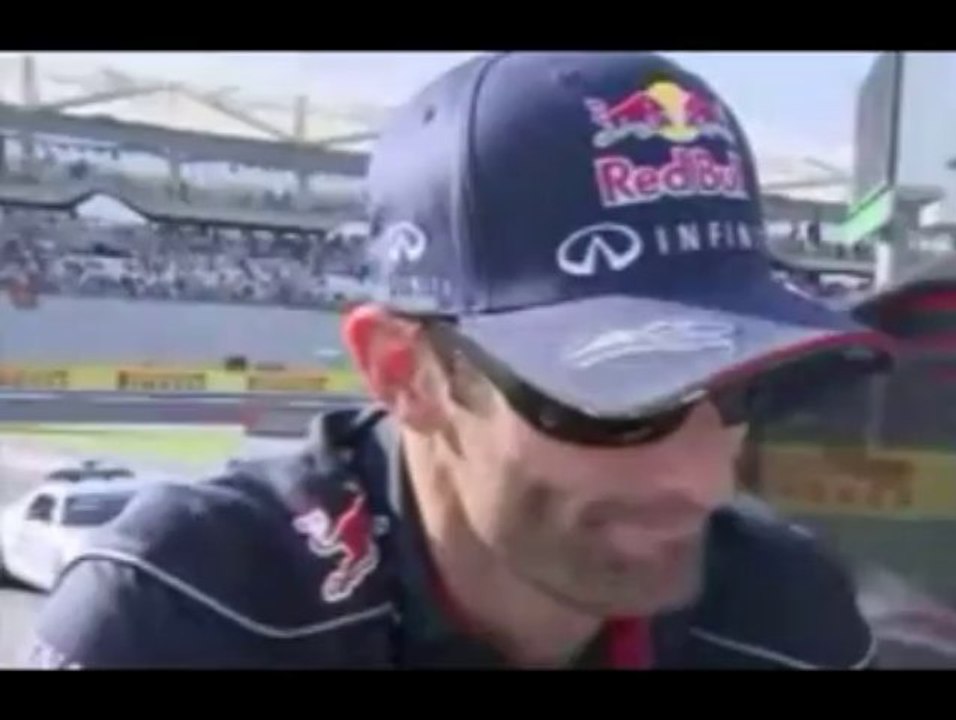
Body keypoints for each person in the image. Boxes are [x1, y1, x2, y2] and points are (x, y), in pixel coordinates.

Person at [27, 51, 891, 669]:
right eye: (620, 399)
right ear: (405, 373)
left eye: (742, 389)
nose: (702, 482)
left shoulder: (786, 617)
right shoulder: (192, 614)